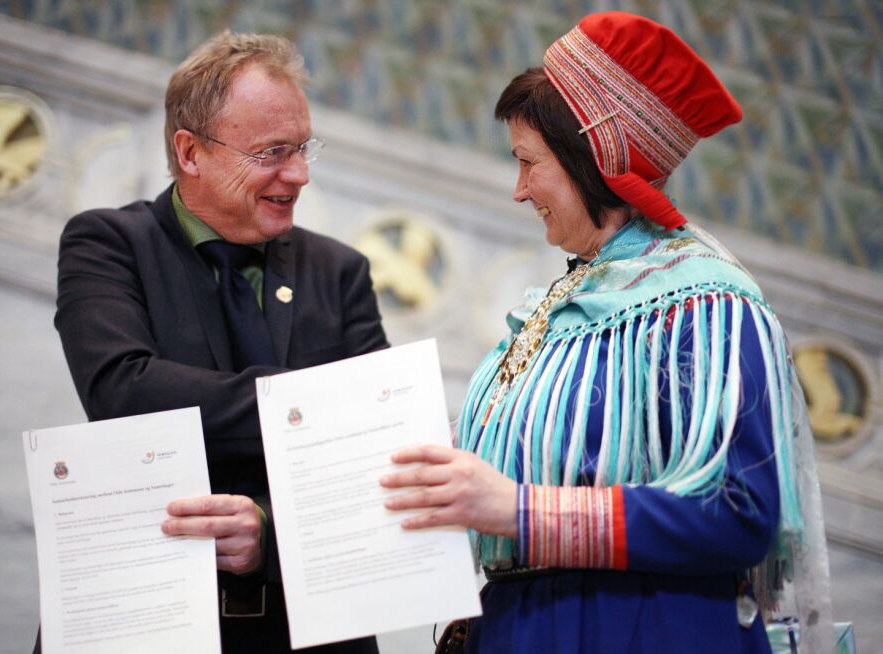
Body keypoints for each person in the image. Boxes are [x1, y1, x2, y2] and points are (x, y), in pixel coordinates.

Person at [380, 12, 833, 654]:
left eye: (528, 162)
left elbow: (741, 511)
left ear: (593, 160)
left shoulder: (704, 300)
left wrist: (519, 511)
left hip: (636, 629)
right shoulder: (577, 296)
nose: (518, 189)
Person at [47, 31, 387, 654]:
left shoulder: (340, 273)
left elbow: (375, 458)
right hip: (143, 617)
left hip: (305, 627)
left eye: (305, 148)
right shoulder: (108, 245)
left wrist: (266, 527)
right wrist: (319, 409)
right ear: (191, 151)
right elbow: (123, 394)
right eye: (272, 152)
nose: (300, 173)